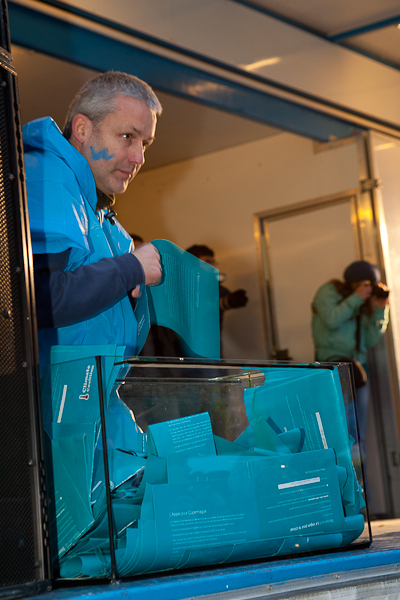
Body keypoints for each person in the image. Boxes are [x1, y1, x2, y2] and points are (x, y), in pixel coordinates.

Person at [23, 71, 163, 366]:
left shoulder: (100, 214)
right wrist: (130, 268)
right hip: (48, 395)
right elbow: (32, 300)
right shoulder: (48, 179)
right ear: (82, 129)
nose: (139, 158)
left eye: (145, 144)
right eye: (128, 137)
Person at [311, 260, 389, 478]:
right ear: (355, 282)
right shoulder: (329, 292)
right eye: (366, 284)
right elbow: (331, 319)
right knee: (336, 433)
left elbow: (371, 339)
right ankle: (339, 487)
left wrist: (380, 309)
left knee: (357, 435)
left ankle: (360, 491)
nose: (369, 289)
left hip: (358, 372)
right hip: (332, 370)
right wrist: (356, 298)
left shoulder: (362, 302)